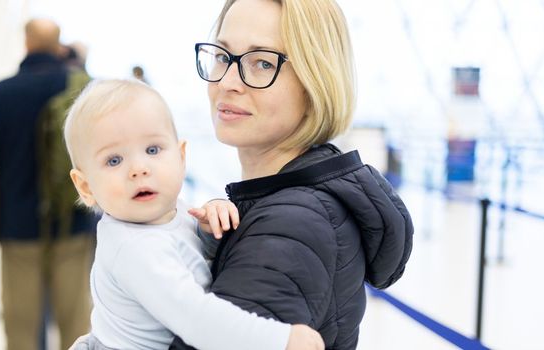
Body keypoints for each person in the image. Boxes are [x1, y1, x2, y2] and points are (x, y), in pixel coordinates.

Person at [172, 0, 414, 349]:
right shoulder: (296, 200)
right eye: (223, 57)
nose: (227, 82)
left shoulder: (290, 227)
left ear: (315, 82)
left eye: (262, 63)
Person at [63, 79, 324, 350]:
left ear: (181, 156)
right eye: (114, 160)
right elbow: (198, 320)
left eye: (152, 150)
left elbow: (190, 256)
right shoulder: (134, 248)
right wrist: (279, 340)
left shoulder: (171, 212)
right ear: (85, 186)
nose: (138, 168)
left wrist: (209, 231)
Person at [0, 18, 96, 350]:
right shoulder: (84, 89)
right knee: (76, 322)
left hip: (18, 224)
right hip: (72, 221)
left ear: (26, 44)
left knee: (20, 327)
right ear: (59, 45)